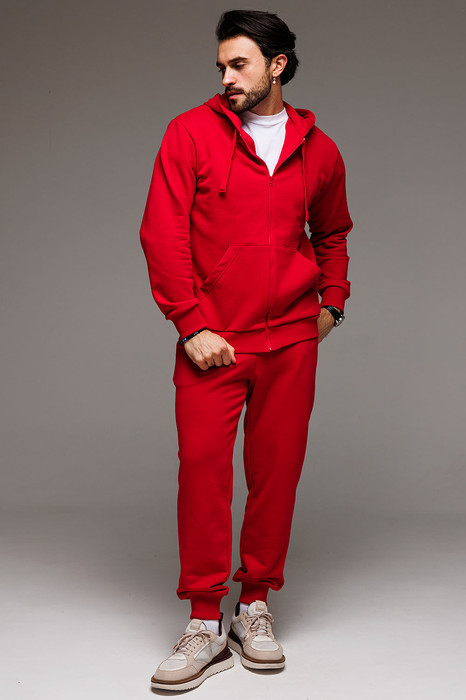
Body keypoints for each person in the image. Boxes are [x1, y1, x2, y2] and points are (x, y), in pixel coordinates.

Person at [139, 9, 353, 692]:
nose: (227, 77)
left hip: (290, 341)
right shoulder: (189, 133)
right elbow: (162, 232)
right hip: (213, 344)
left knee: (277, 474)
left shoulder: (319, 150)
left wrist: (331, 305)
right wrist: (190, 324)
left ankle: (254, 605)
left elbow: (333, 234)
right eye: (222, 66)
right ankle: (205, 620)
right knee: (203, 474)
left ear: (277, 66)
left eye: (240, 65)